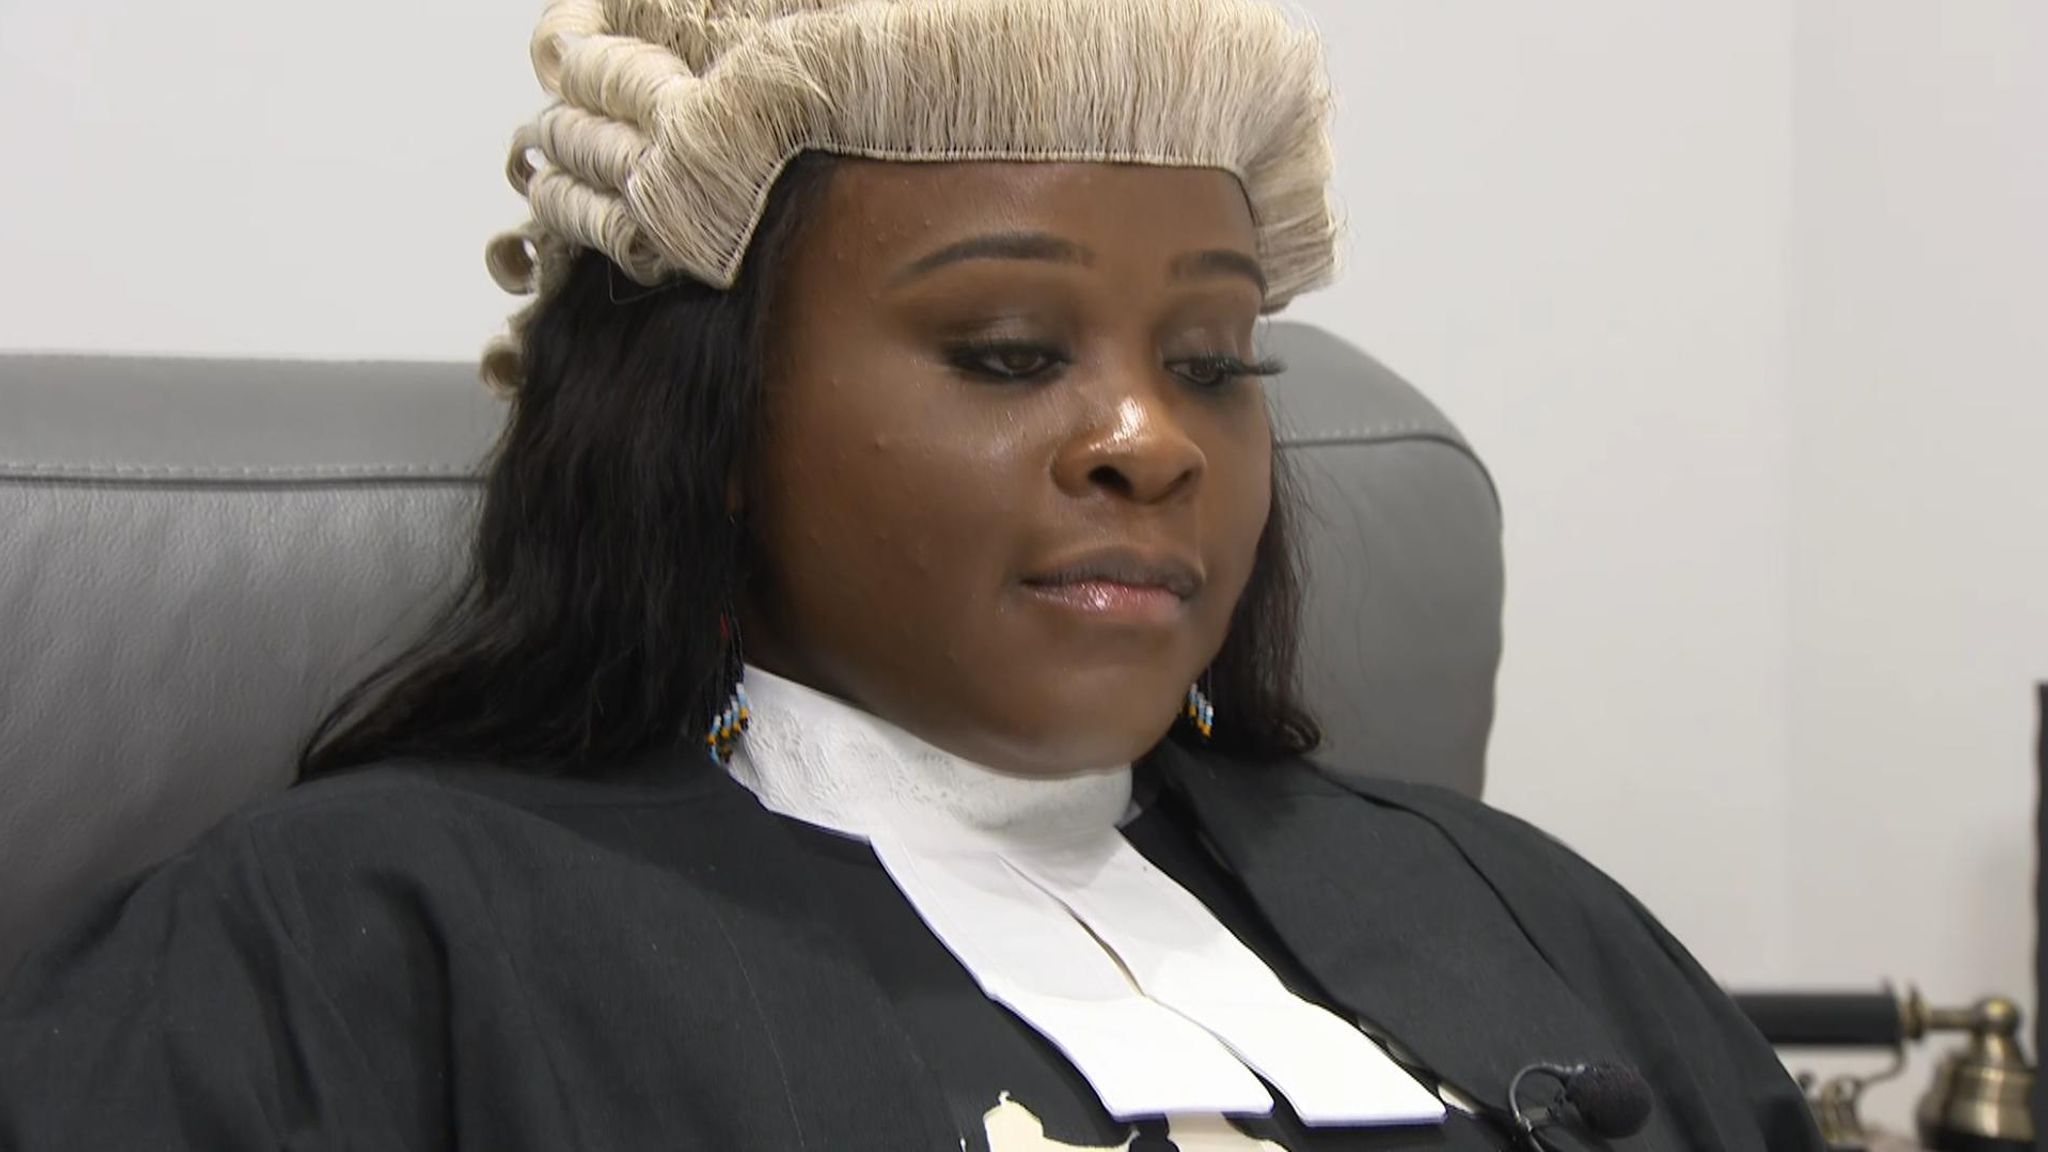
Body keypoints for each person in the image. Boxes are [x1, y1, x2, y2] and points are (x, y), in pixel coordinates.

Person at [0, 1, 1820, 1148]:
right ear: (710, 418)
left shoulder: (1521, 909)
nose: (1151, 439)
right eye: (1010, 352)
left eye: (1212, 361)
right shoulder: (361, 946)